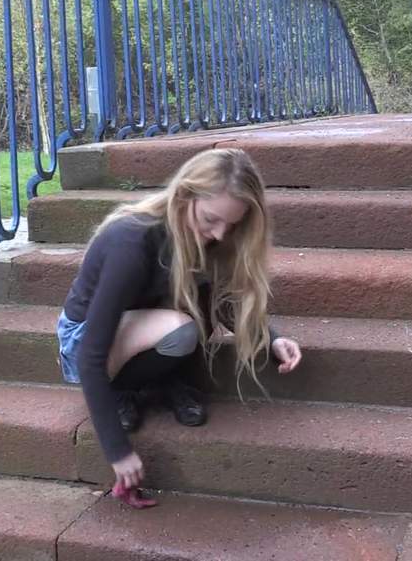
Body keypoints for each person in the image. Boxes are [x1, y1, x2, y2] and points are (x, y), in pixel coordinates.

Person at [56, 147, 303, 492]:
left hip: (139, 329)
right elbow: (89, 356)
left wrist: (271, 339)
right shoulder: (131, 242)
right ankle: (121, 390)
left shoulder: (202, 237)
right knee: (181, 328)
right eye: (211, 219)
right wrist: (117, 451)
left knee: (196, 301)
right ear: (185, 196)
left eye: (232, 225)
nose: (220, 234)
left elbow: (221, 303)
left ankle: (159, 383)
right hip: (82, 345)